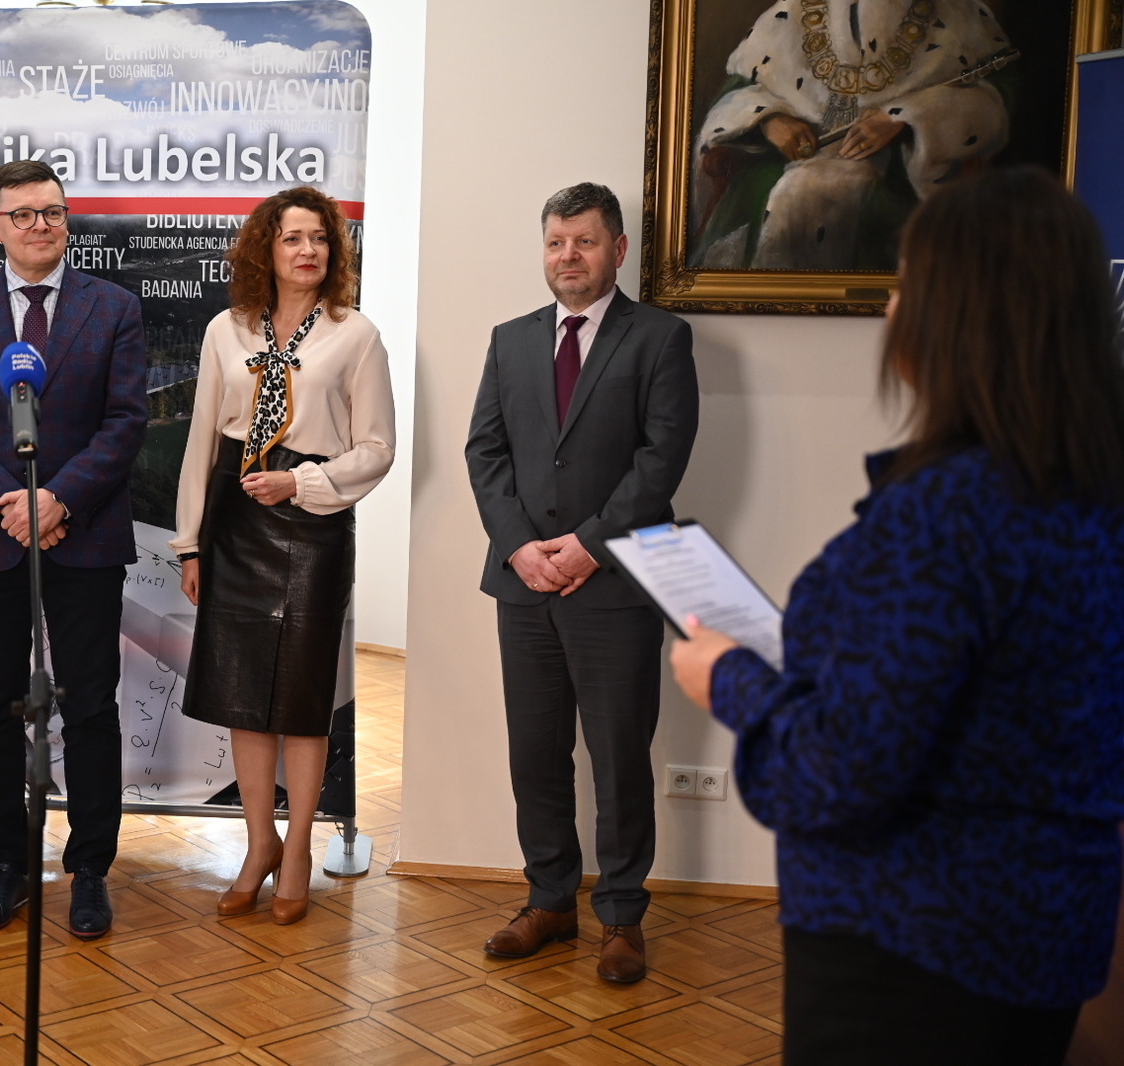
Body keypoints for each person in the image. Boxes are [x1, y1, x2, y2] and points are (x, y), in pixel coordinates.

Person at [670, 166, 1124, 1065]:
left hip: (912, 947)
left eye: (907, 283)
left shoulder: (945, 515)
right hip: (1050, 936)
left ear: (960, 314)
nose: (889, 308)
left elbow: (835, 775)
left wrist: (729, 678)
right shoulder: (1092, 494)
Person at [466, 182, 698, 979]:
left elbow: (662, 459)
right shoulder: (510, 340)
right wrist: (519, 547)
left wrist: (590, 545)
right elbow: (485, 453)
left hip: (616, 586)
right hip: (524, 585)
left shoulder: (661, 338)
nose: (568, 256)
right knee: (536, 755)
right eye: (556, 242)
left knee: (619, 758)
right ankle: (550, 901)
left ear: (618, 250)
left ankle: (623, 917)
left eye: (585, 242)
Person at [0, 159, 146, 938]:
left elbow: (126, 421)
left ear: (66, 219)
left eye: (51, 211)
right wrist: (10, 501)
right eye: (22, 214)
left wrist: (58, 499)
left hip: (85, 533)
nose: (39, 225)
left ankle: (89, 871)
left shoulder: (113, 307)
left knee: (91, 706)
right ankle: (6, 867)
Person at [170, 186, 394, 924]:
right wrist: (191, 541)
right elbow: (203, 440)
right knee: (242, 694)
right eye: (292, 237)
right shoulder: (226, 329)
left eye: (319, 238)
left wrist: (301, 482)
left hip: (313, 525)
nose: (308, 250)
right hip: (236, 522)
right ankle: (257, 841)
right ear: (265, 249)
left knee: (300, 699)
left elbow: (377, 448)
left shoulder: (356, 335)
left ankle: (297, 847)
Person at [690, 0, 1013, 270]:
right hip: (783, 164)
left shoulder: (954, 10)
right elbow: (740, 91)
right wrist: (769, 120)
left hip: (906, 170)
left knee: (814, 193)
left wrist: (905, 116)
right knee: (793, 194)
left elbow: (994, 96)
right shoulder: (794, 9)